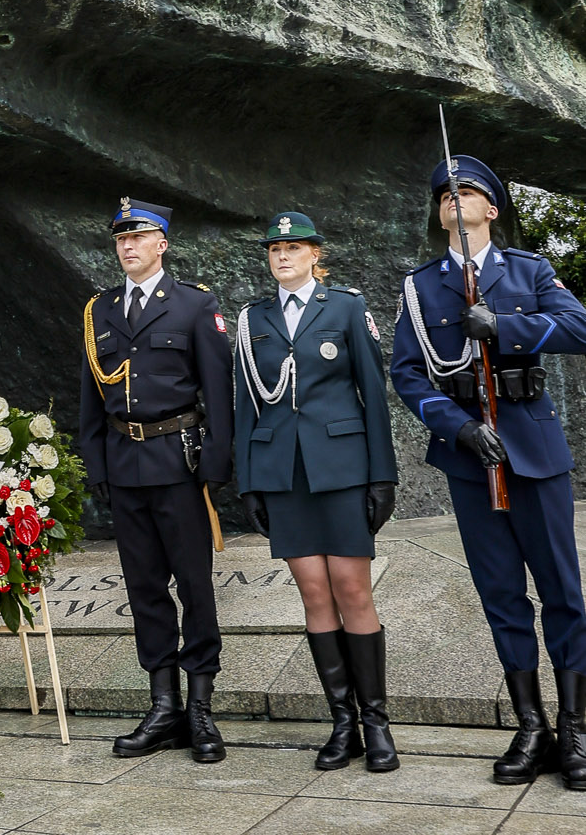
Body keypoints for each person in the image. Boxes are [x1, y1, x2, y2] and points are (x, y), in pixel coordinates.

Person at [391, 153, 586, 789]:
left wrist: (504, 324)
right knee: (501, 595)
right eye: (444, 193)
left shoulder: (528, 270)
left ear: (491, 209)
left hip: (533, 445)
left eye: (467, 191)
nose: (453, 198)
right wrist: (459, 427)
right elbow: (407, 372)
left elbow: (579, 326)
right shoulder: (420, 288)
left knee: (562, 591)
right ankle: (532, 728)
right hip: (473, 456)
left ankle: (577, 728)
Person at [235, 212, 399, 773]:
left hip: (343, 466)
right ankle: (343, 724)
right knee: (313, 594)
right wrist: (249, 480)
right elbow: (245, 405)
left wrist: (384, 475)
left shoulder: (346, 308)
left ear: (314, 254)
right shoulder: (251, 319)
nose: (282, 256)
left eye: (293, 247)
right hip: (283, 472)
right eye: (274, 248)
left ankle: (376, 723)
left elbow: (373, 394)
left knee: (353, 590)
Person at [79, 197, 232, 763]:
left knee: (194, 585)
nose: (127, 246)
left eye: (139, 237)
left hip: (177, 461)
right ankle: (163, 706)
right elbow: (91, 396)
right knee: (144, 588)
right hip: (124, 465)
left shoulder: (194, 307)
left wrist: (216, 465)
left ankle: (199, 707)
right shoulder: (99, 310)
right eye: (121, 238)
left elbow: (218, 390)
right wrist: (96, 465)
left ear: (161, 244)